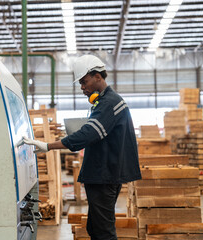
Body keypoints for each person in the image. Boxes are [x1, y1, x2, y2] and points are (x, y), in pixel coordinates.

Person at [23, 54, 141, 240]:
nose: (82, 88)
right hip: (102, 174)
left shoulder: (109, 103)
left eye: (84, 82)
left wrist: (48, 145)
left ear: (98, 76)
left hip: (104, 176)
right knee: (94, 228)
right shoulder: (104, 102)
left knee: (104, 232)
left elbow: (89, 134)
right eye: (80, 83)